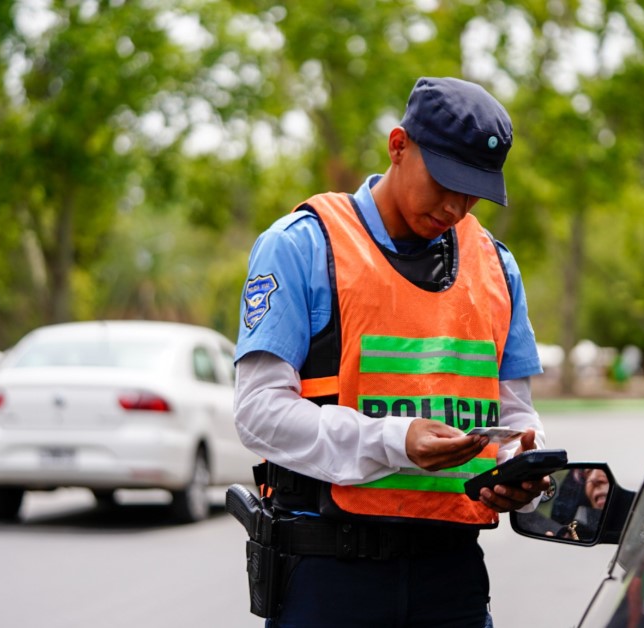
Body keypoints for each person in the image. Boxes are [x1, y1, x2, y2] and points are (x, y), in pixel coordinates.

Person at [233, 76, 546, 627]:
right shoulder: (301, 246)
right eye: (445, 181)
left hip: (453, 579)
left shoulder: (497, 267)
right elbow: (258, 415)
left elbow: (516, 416)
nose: (455, 206)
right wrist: (396, 440)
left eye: (474, 191)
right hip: (330, 574)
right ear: (398, 146)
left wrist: (517, 466)